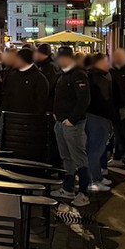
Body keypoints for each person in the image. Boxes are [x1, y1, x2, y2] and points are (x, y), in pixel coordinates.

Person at [52, 46, 91, 206]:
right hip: (62, 122)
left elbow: (84, 99)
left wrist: (72, 119)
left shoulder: (78, 74)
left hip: (71, 124)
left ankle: (83, 192)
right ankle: (68, 188)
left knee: (78, 157)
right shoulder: (64, 74)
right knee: (67, 157)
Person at [83, 53, 116, 193]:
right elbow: (105, 101)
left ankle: (96, 177)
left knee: (97, 149)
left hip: (98, 117)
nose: (108, 64)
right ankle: (93, 180)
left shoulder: (96, 76)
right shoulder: (97, 78)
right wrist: (111, 116)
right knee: (95, 150)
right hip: (97, 118)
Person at [0, 47, 50, 115]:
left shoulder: (39, 78)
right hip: (11, 116)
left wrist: (36, 116)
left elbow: (41, 102)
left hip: (30, 118)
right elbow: (6, 95)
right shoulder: (11, 76)